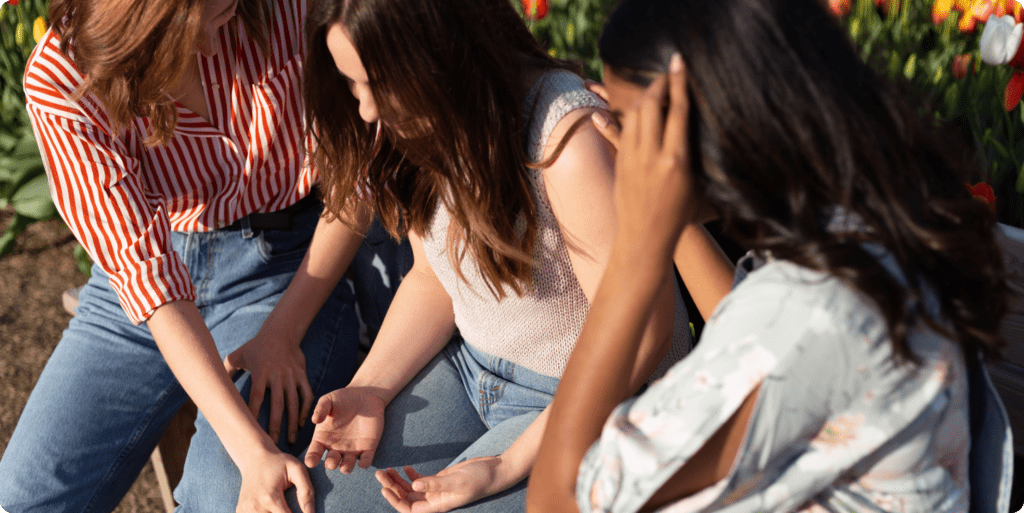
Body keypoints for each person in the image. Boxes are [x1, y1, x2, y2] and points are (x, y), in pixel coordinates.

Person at [527, 0, 1015, 511]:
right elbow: (754, 341)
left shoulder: (808, 311)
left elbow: (557, 502)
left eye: (634, 124)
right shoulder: (868, 228)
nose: (629, 150)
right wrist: (672, 216)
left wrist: (636, 255)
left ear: (710, 126)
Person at [244, 0, 730, 510]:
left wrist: (506, 464)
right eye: (353, 84)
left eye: (377, 85)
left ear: (440, 56)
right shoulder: (410, 127)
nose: (366, 111)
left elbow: (639, 340)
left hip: (590, 393)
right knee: (326, 503)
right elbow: (435, 281)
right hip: (471, 370)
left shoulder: (561, 136)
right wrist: (370, 388)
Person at [0, 0, 375, 511]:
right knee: (27, 496)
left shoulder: (285, 8)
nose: (228, 16)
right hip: (142, 283)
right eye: (206, 14)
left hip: (286, 268)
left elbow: (359, 178)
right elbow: (145, 278)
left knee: (222, 494)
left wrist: (283, 333)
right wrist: (248, 447)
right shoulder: (64, 77)